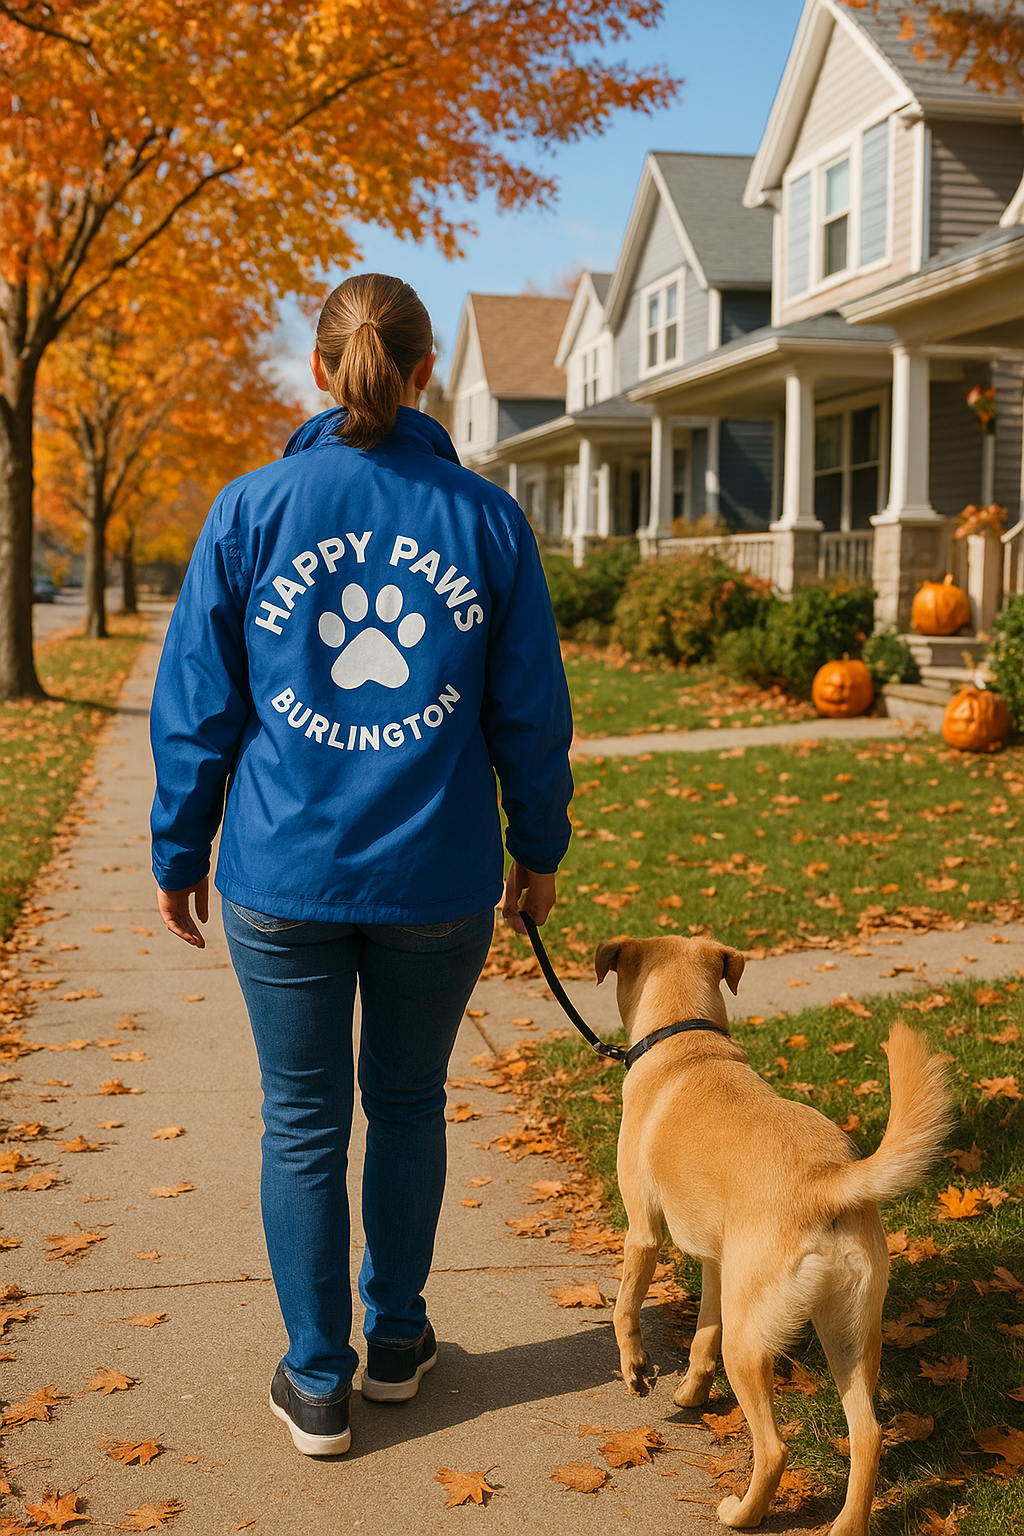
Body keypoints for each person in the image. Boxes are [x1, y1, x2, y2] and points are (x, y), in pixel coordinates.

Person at [150, 273, 573, 1459]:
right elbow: (530, 714)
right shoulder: (486, 521)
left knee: (302, 1121)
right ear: (426, 370)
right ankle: (395, 1343)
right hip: (434, 878)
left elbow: (197, 708)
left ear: (321, 371)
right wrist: (537, 848)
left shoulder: (248, 510)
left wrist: (182, 847)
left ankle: (318, 1381)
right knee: (406, 1104)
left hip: (282, 874)